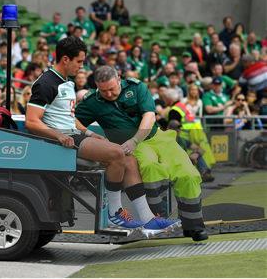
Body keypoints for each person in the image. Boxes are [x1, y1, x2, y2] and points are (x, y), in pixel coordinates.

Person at [26, 37, 179, 232]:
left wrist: (90, 132)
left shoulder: (66, 82)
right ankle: (114, 214)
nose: (81, 66)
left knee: (129, 159)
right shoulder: (47, 82)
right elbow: (32, 121)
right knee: (117, 154)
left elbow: (67, 117)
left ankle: (148, 219)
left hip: (74, 135)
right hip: (60, 141)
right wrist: (58, 136)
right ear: (66, 59)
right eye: (79, 61)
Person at [76, 66, 208, 241]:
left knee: (188, 174)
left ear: (119, 78)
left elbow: (149, 116)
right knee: (151, 169)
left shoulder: (136, 88)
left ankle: (194, 227)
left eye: (112, 89)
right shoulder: (92, 101)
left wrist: (135, 140)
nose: (108, 94)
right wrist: (89, 133)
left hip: (156, 138)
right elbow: (72, 119)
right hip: (134, 146)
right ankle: (157, 220)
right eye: (103, 90)